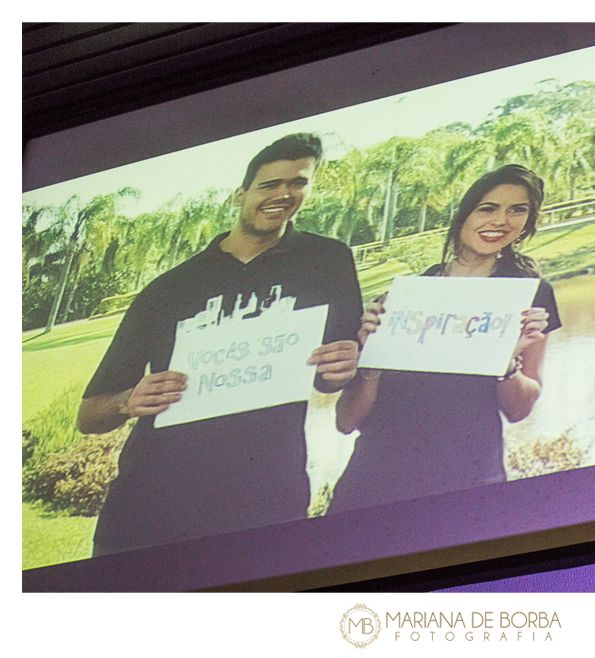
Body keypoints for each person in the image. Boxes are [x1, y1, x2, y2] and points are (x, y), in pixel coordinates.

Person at [78, 133, 363, 555]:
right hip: (148, 509)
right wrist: (127, 401)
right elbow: (89, 415)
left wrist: (344, 366)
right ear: (239, 194)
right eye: (269, 184)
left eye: (298, 182)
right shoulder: (169, 288)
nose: (283, 194)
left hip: (264, 503)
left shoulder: (328, 261)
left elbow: (328, 380)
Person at [328, 164, 561, 513]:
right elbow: (346, 421)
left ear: (527, 223)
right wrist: (372, 359)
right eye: (488, 208)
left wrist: (506, 362)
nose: (501, 220)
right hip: (372, 488)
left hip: (468, 489)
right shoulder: (405, 296)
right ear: (463, 214)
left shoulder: (528, 296)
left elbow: (518, 410)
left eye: (517, 210)